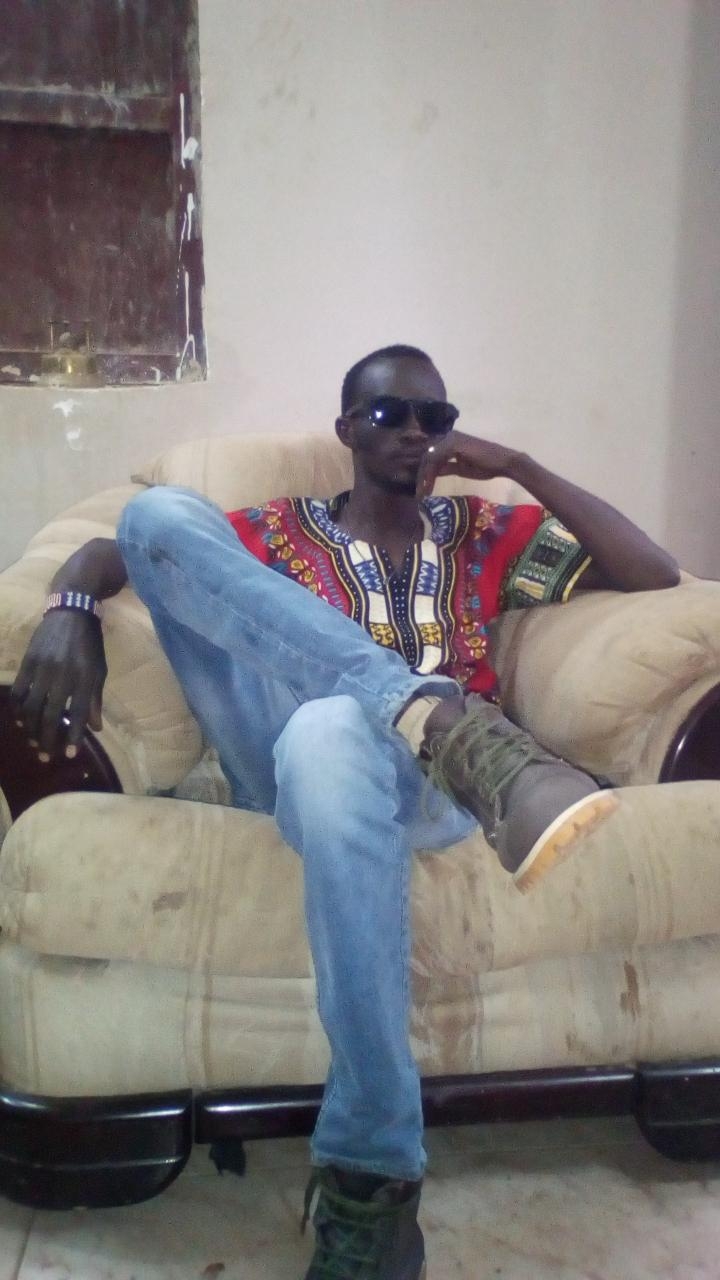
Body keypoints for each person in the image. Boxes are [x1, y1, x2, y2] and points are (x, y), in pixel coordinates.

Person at [12, 345, 679, 1279]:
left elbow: (653, 571)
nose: (413, 433)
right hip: (282, 762)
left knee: (333, 728)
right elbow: (132, 547)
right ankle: (429, 711)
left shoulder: (478, 532)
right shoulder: (280, 532)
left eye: (434, 418)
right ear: (346, 431)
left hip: (435, 792)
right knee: (160, 515)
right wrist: (71, 604)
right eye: (388, 414)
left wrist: (520, 466)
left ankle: (372, 1177)